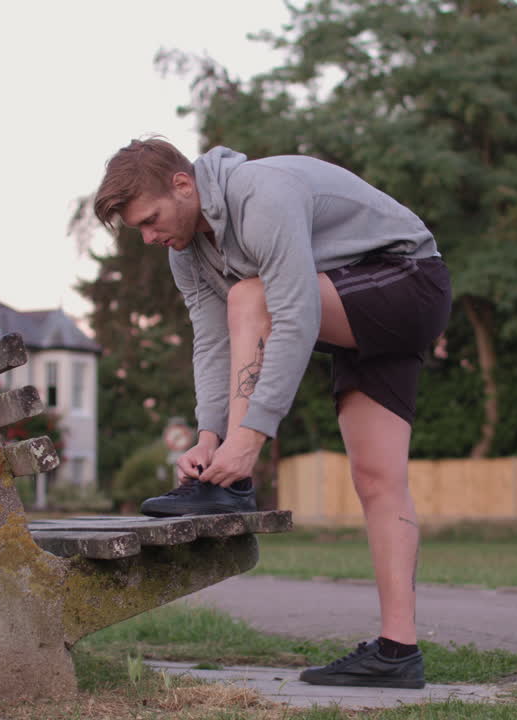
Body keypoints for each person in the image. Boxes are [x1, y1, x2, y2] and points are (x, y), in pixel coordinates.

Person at [93, 138, 451, 690]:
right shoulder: (185, 251)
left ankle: (237, 483)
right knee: (378, 479)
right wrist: (209, 436)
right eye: (138, 228)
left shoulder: (262, 194)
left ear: (183, 185)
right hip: (352, 301)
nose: (148, 236)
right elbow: (213, 341)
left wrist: (250, 438)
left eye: (151, 219)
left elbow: (293, 314)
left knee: (249, 297)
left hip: (409, 282)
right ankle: (398, 651)